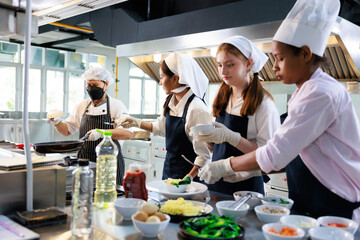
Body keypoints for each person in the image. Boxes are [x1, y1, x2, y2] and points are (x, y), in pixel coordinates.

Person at [198, 0, 360, 221]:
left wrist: (226, 164)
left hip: (334, 203)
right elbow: (286, 156)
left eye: (280, 58)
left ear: (305, 54)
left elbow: (275, 153)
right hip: (310, 199)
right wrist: (251, 169)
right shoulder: (304, 92)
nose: (274, 66)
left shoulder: (320, 93)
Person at [194, 36, 280, 195]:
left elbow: (268, 153)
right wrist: (211, 142)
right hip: (216, 183)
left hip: (245, 188)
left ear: (249, 64)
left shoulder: (264, 104)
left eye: (230, 64)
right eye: (219, 65)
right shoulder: (223, 95)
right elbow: (221, 147)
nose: (223, 71)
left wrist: (231, 137)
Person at [120, 53, 211, 180]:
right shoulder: (170, 101)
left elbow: (204, 155)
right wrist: (136, 122)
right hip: (169, 170)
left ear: (175, 78)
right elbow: (161, 128)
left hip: (190, 175)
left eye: (162, 77)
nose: (160, 82)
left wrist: (188, 179)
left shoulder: (197, 109)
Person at [47, 67, 133, 185]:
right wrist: (57, 122)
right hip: (84, 161)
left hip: (108, 162)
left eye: (95, 85)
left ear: (106, 84)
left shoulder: (116, 105)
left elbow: (127, 134)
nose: (91, 88)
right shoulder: (81, 106)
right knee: (84, 194)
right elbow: (67, 130)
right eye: (89, 85)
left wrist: (102, 133)